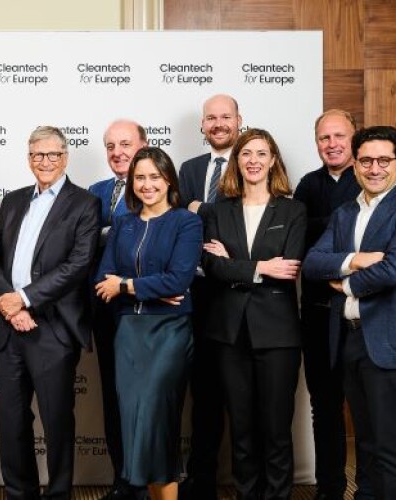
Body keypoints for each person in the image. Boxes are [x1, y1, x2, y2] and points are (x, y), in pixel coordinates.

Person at [0, 126, 99, 500]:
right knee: (12, 421)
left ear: (65, 157)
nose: (44, 162)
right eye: (37, 155)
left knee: (57, 423)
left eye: (52, 155)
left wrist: (25, 299)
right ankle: (20, 493)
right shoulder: (14, 200)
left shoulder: (83, 203)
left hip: (52, 329)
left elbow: (77, 265)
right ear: (28, 157)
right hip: (10, 328)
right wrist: (8, 302)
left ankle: (60, 494)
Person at [202, 128, 306, 499]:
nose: (253, 161)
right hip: (228, 333)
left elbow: (289, 268)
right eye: (246, 154)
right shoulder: (218, 210)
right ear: (236, 161)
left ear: (273, 160)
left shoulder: (293, 210)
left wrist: (238, 265)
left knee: (276, 429)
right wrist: (261, 267)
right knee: (242, 429)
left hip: (277, 335)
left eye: (262, 154)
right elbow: (213, 267)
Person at [95, 147, 202, 500]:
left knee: (158, 425)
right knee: (134, 429)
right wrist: (145, 289)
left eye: (154, 176)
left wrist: (127, 285)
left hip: (169, 332)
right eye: (140, 177)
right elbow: (102, 281)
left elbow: (178, 280)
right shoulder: (123, 223)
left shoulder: (186, 221)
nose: (147, 184)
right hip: (128, 334)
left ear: (168, 179)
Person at [303, 125, 396, 499]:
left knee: (389, 447)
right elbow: (312, 263)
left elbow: (393, 267)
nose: (375, 168)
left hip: (385, 342)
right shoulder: (344, 212)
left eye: (384, 160)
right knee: (366, 443)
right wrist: (356, 260)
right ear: (355, 164)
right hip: (348, 339)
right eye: (367, 160)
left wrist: (348, 283)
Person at [293, 109, 362, 500]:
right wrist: (341, 233)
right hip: (318, 314)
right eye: (324, 138)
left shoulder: (371, 178)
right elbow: (302, 246)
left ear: (355, 138)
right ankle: (330, 488)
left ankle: (370, 487)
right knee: (325, 406)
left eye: (339, 136)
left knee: (370, 408)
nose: (332, 144)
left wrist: (326, 232)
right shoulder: (307, 185)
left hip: (364, 313)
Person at [177, 94, 242, 500]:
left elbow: (245, 221)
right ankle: (201, 483)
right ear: (202, 125)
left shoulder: (254, 160)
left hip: (239, 293)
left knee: (241, 394)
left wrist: (204, 209)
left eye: (225, 117)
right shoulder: (189, 169)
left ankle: (246, 484)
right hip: (197, 293)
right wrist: (198, 209)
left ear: (239, 120)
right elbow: (180, 219)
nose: (218, 123)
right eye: (211, 118)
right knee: (202, 395)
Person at [88, 119, 148, 500]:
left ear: (143, 145)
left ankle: (143, 480)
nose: (118, 152)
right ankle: (121, 479)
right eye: (111, 146)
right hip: (104, 311)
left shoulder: (156, 188)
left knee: (143, 398)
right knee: (113, 395)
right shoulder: (96, 192)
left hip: (145, 310)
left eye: (126, 144)